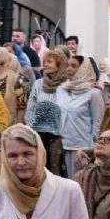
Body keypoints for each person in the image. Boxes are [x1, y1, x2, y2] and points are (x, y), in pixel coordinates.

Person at [55, 55, 104, 178]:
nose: (69, 69)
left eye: (74, 66)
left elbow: (97, 122)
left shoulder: (93, 93)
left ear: (83, 68)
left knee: (79, 183)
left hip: (81, 147)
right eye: (67, 65)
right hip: (61, 144)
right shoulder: (61, 90)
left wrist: (92, 148)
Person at [26, 46, 69, 174]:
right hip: (39, 134)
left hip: (59, 136)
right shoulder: (38, 84)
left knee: (56, 171)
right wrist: (30, 125)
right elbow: (31, 107)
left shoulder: (66, 85)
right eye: (44, 62)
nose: (45, 64)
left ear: (59, 64)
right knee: (39, 170)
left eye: (49, 62)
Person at [0, 46, 24, 127]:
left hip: (7, 126)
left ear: (0, 60)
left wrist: (19, 126)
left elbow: (21, 106)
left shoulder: (16, 79)